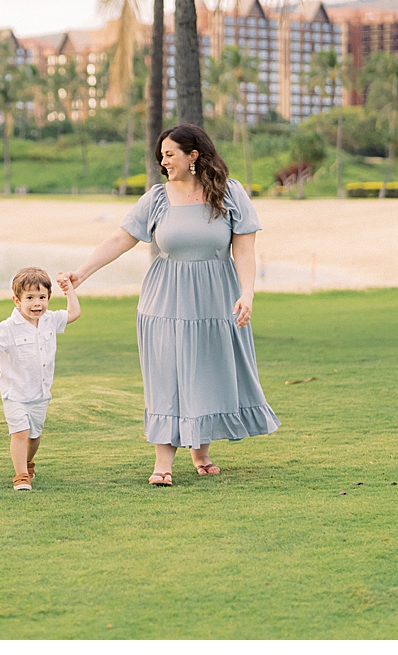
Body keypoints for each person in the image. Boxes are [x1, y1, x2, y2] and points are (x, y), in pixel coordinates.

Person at [61, 124, 278, 485]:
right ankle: (163, 461)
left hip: (215, 298)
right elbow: (121, 238)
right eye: (161, 155)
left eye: (170, 154)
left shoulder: (230, 193)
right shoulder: (158, 198)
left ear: (193, 156)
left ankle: (201, 451)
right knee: (168, 376)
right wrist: (82, 273)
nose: (163, 162)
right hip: (165, 299)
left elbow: (244, 248)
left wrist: (248, 292)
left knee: (205, 371)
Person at [0, 267, 81, 491]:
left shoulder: (50, 320)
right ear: (17, 300)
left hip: (40, 393)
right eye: (30, 298)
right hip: (15, 393)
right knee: (20, 432)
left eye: (42, 298)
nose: (37, 303)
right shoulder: (8, 328)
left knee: (34, 436)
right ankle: (21, 476)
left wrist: (70, 290)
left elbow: (74, 313)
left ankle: (28, 462)